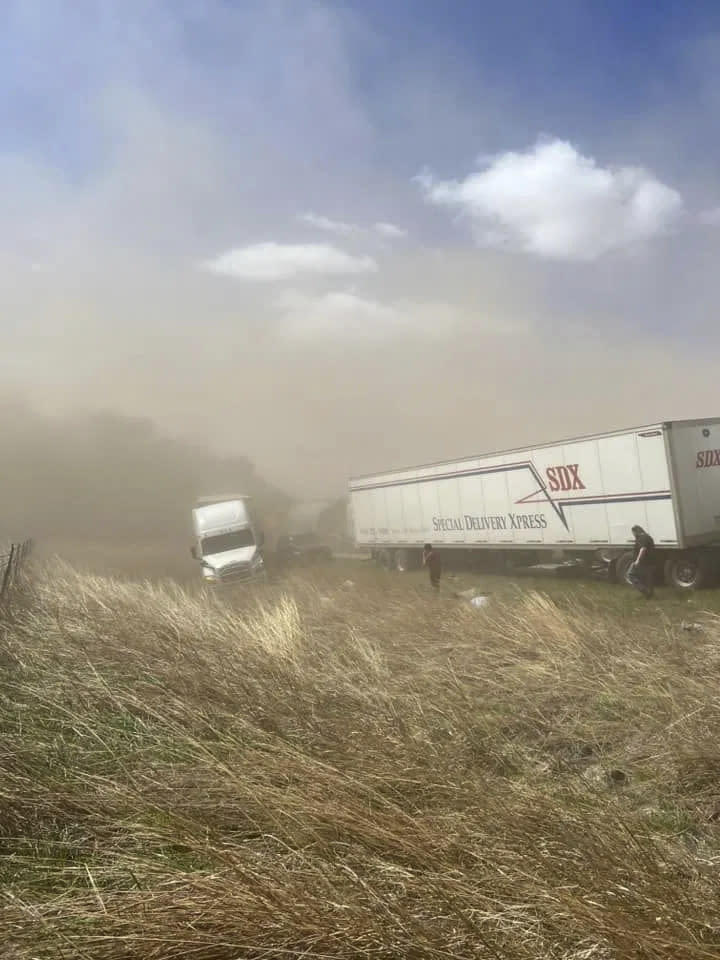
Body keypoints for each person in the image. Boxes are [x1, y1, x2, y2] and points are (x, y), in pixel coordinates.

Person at [627, 524, 655, 598]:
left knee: (630, 575)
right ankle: (649, 595)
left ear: (636, 531)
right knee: (647, 578)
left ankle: (644, 590)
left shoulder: (642, 538)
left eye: (633, 533)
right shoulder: (648, 537)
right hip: (649, 561)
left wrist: (637, 560)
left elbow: (643, 549)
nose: (633, 535)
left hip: (642, 562)